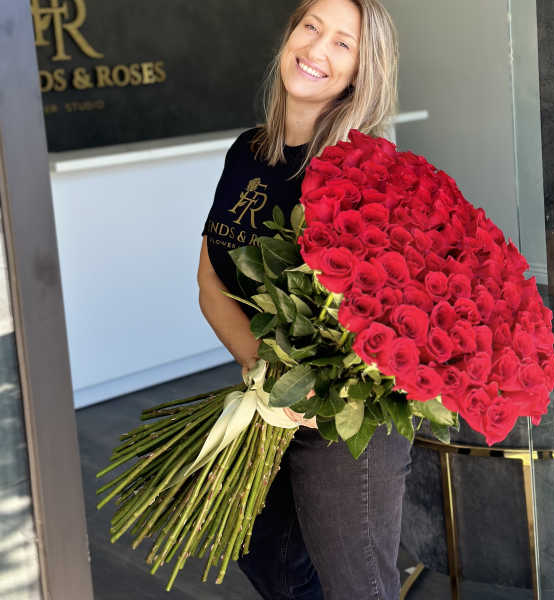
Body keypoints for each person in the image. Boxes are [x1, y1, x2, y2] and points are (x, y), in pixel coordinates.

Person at [197, 0, 412, 597]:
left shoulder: (363, 171)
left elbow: (389, 314)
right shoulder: (248, 151)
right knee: (267, 557)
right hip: (271, 396)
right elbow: (210, 279)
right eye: (310, 26)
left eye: (343, 42)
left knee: (357, 585)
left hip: (345, 419)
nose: (317, 48)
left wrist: (307, 385)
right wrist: (263, 370)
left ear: (362, 69)